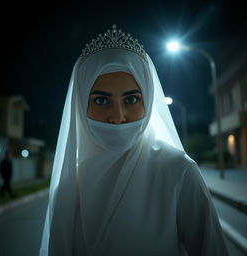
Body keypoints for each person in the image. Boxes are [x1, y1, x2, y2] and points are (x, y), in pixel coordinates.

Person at [40, 25, 229, 255]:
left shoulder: (177, 171)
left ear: (148, 102)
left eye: (131, 99)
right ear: (81, 106)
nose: (118, 117)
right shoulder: (70, 186)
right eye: (101, 101)